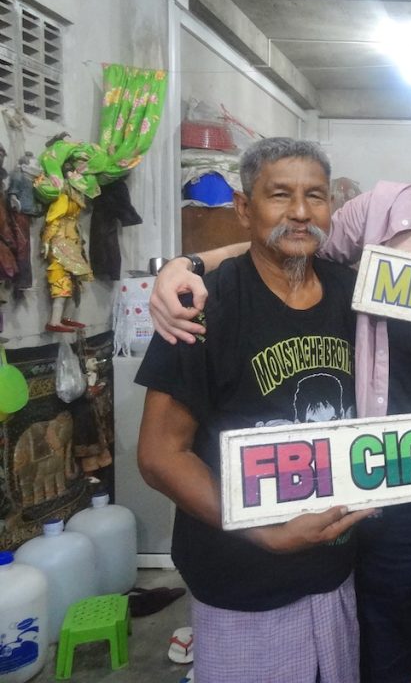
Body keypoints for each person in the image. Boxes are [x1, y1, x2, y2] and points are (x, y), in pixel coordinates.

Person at [147, 87, 411, 683]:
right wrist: (186, 264)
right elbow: (292, 241)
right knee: (390, 657)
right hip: (391, 478)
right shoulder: (388, 210)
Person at [136, 137, 375, 683]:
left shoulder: (352, 295)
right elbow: (159, 455)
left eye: (315, 196)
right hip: (241, 577)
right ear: (245, 208)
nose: (299, 212)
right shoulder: (205, 306)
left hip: (337, 570)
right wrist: (264, 530)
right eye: (279, 195)